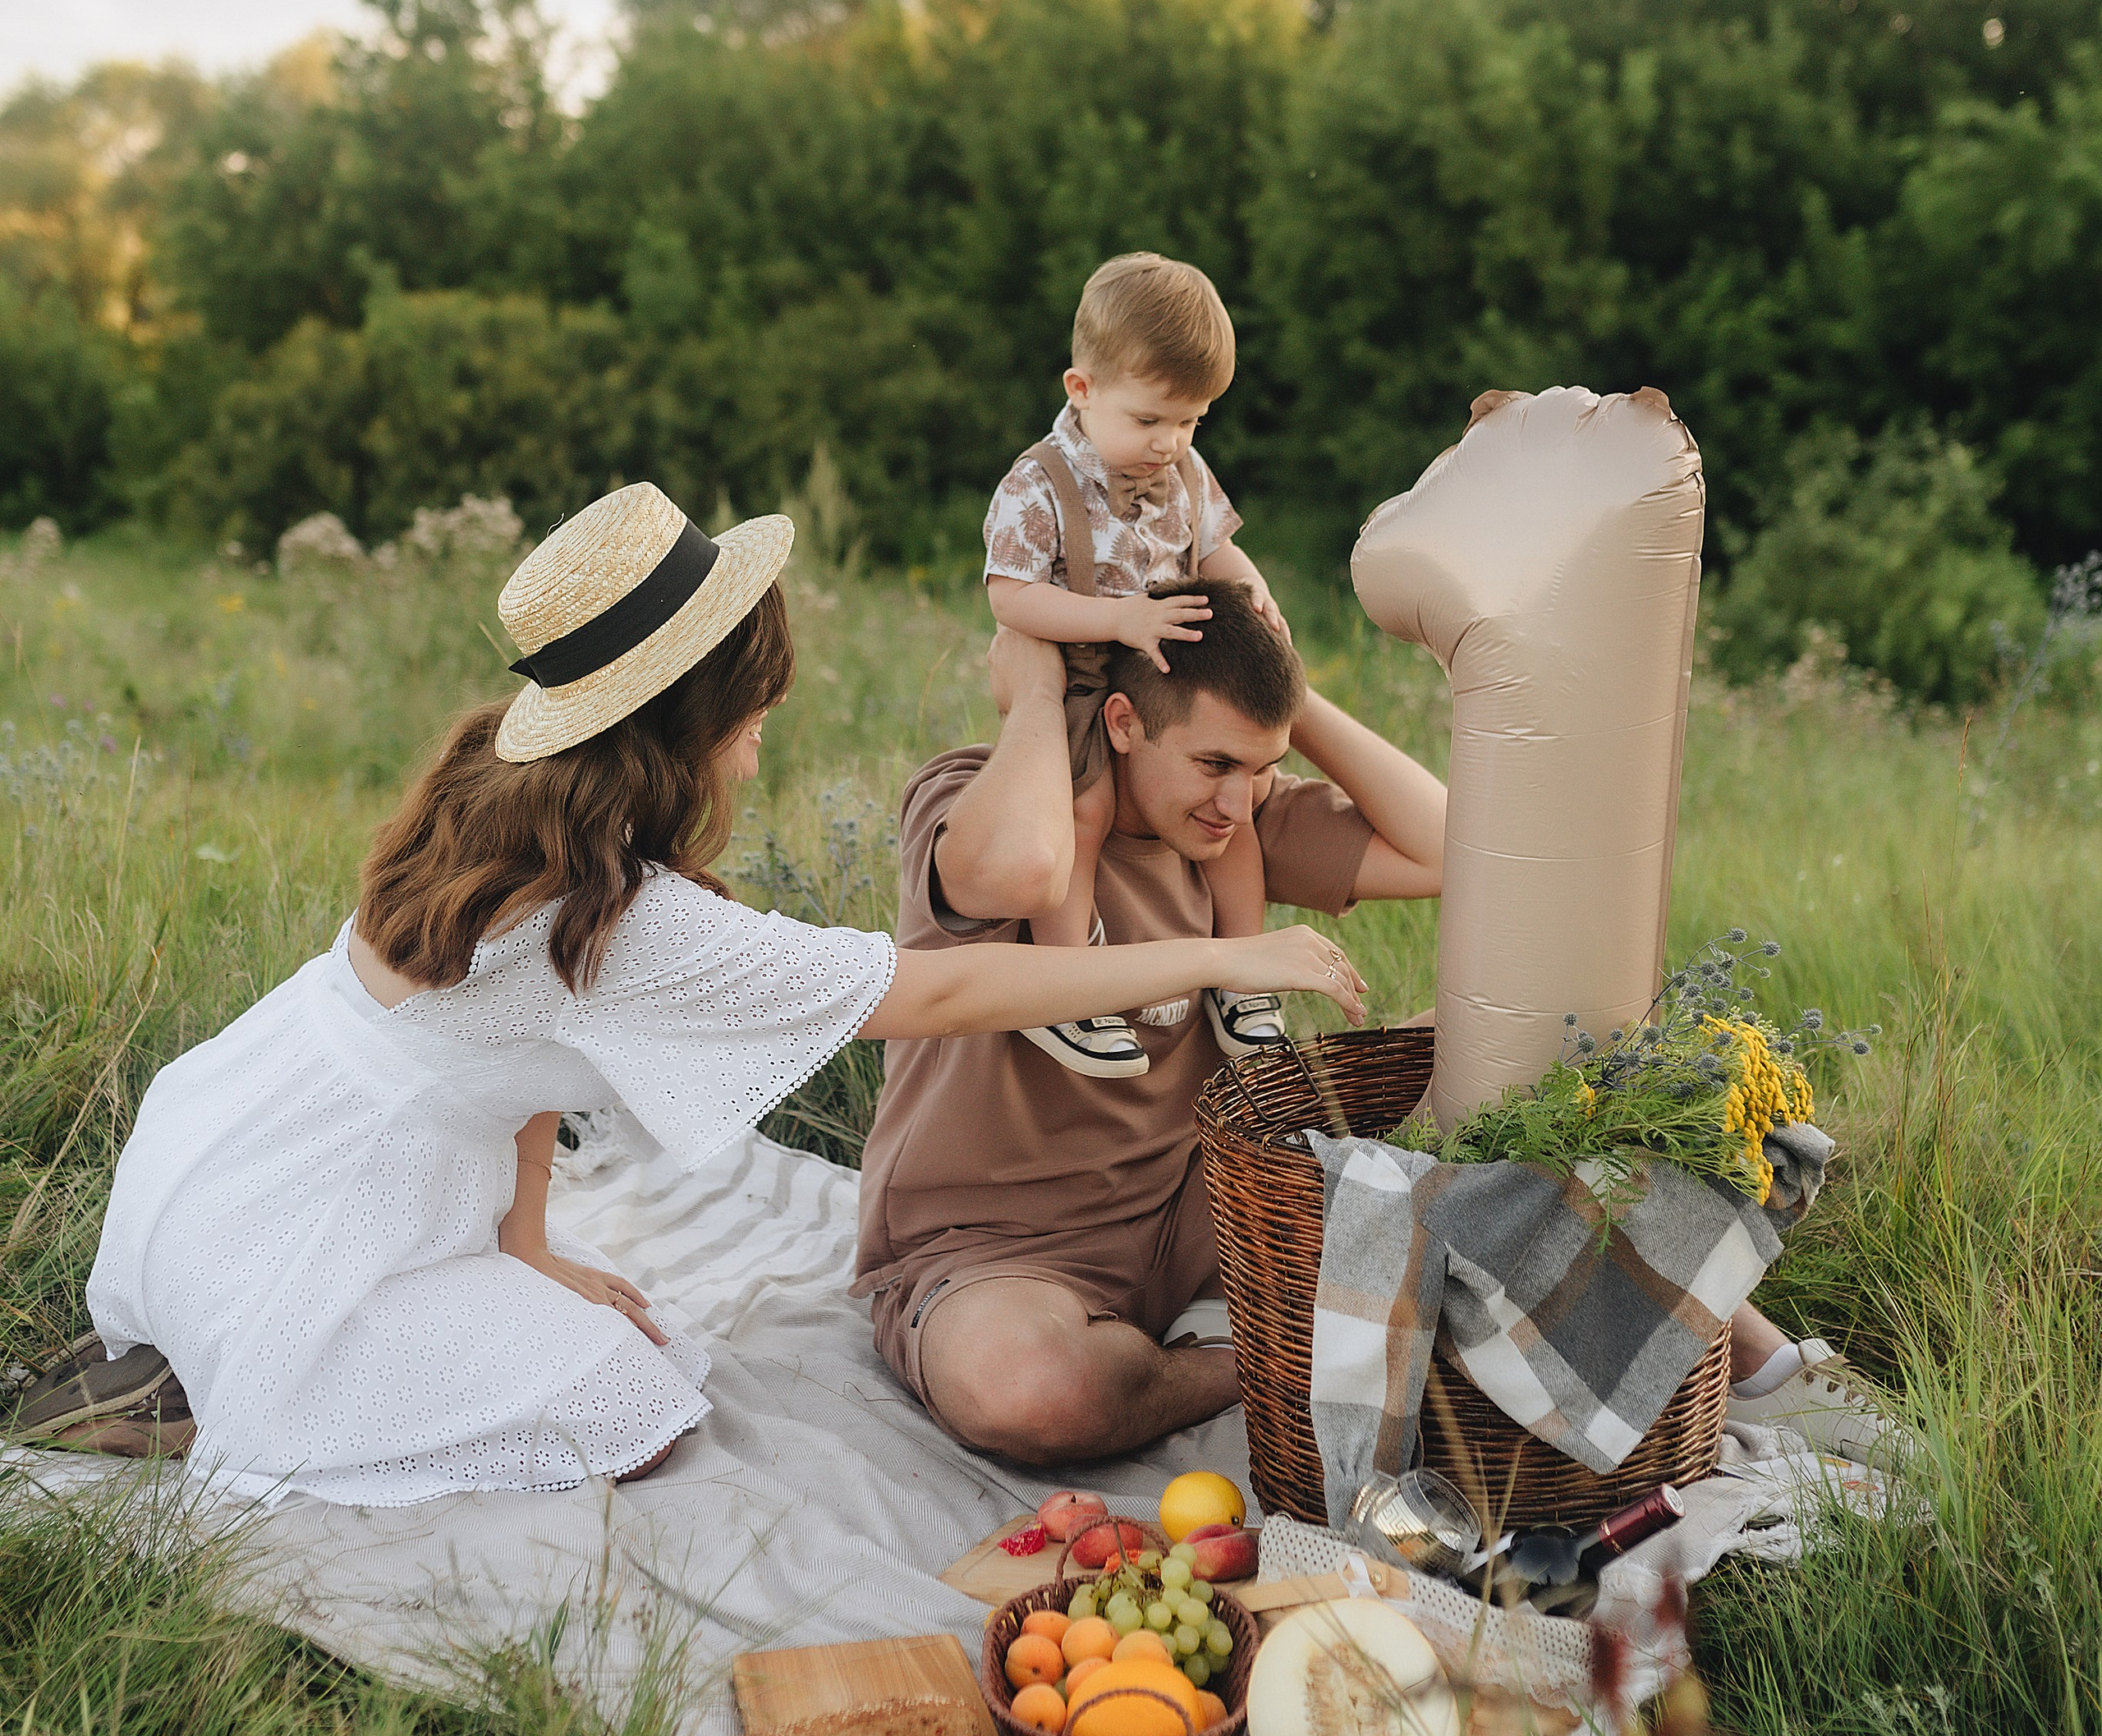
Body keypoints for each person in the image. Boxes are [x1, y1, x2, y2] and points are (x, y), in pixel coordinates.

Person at [75, 484, 1366, 1504]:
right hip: (326, 1218)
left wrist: (528, 1249)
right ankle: (231, 1390)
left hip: (224, 1143)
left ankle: (225, 1352)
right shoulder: (621, 920)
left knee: (597, 1329)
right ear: (698, 710)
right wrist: (1217, 957)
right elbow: (947, 983)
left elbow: (531, 1056)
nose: (770, 727)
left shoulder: (501, 783)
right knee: (638, 1408)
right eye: (757, 702)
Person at [853, 585, 1444, 1463]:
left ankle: (1219, 1336)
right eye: (1213, 763)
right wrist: (1041, 697)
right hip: (1002, 1244)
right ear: (1124, 722)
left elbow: (1452, 847)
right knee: (1033, 1392)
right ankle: (1250, 1359)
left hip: (1203, 1203)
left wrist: (1288, 695)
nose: (1237, 802)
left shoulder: (1231, 819)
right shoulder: (988, 800)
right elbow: (1014, 868)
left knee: (1495, 1031)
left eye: (1261, 768)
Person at [982, 249, 1287, 1082]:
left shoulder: (1183, 472)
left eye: (1191, 421)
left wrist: (1254, 593)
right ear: (1081, 391)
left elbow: (1218, 548)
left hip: (1171, 681)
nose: (1171, 442)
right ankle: (1069, 988)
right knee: (1081, 811)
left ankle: (1243, 971)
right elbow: (1010, 597)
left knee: (1239, 816)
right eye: (1150, 420)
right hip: (1085, 674)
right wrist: (1117, 617)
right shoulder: (1039, 484)